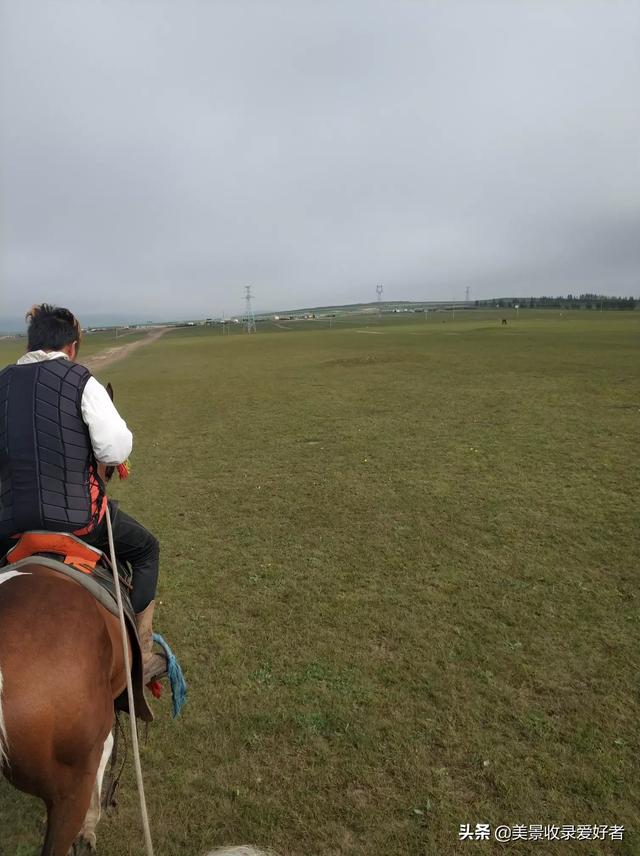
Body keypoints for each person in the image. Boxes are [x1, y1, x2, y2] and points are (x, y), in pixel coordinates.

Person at [0, 304, 165, 683]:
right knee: (146, 550)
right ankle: (139, 651)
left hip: (9, 524)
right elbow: (115, 450)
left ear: (31, 343)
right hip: (78, 522)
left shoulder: (2, 383)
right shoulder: (81, 381)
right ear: (71, 347)